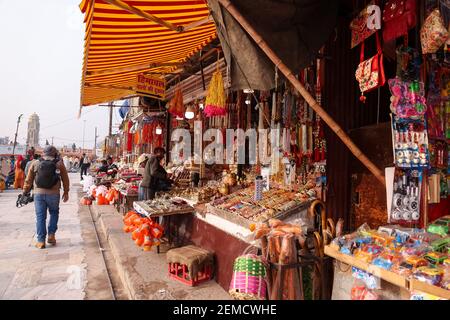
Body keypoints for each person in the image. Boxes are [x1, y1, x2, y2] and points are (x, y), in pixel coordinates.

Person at [23, 146, 70, 249]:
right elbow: (65, 179)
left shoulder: (35, 163)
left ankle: (40, 241)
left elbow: (29, 179)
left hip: (38, 194)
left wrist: (25, 191)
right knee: (54, 213)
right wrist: (66, 192)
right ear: (54, 153)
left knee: (40, 217)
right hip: (54, 194)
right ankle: (51, 235)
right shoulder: (59, 164)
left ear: (43, 153)